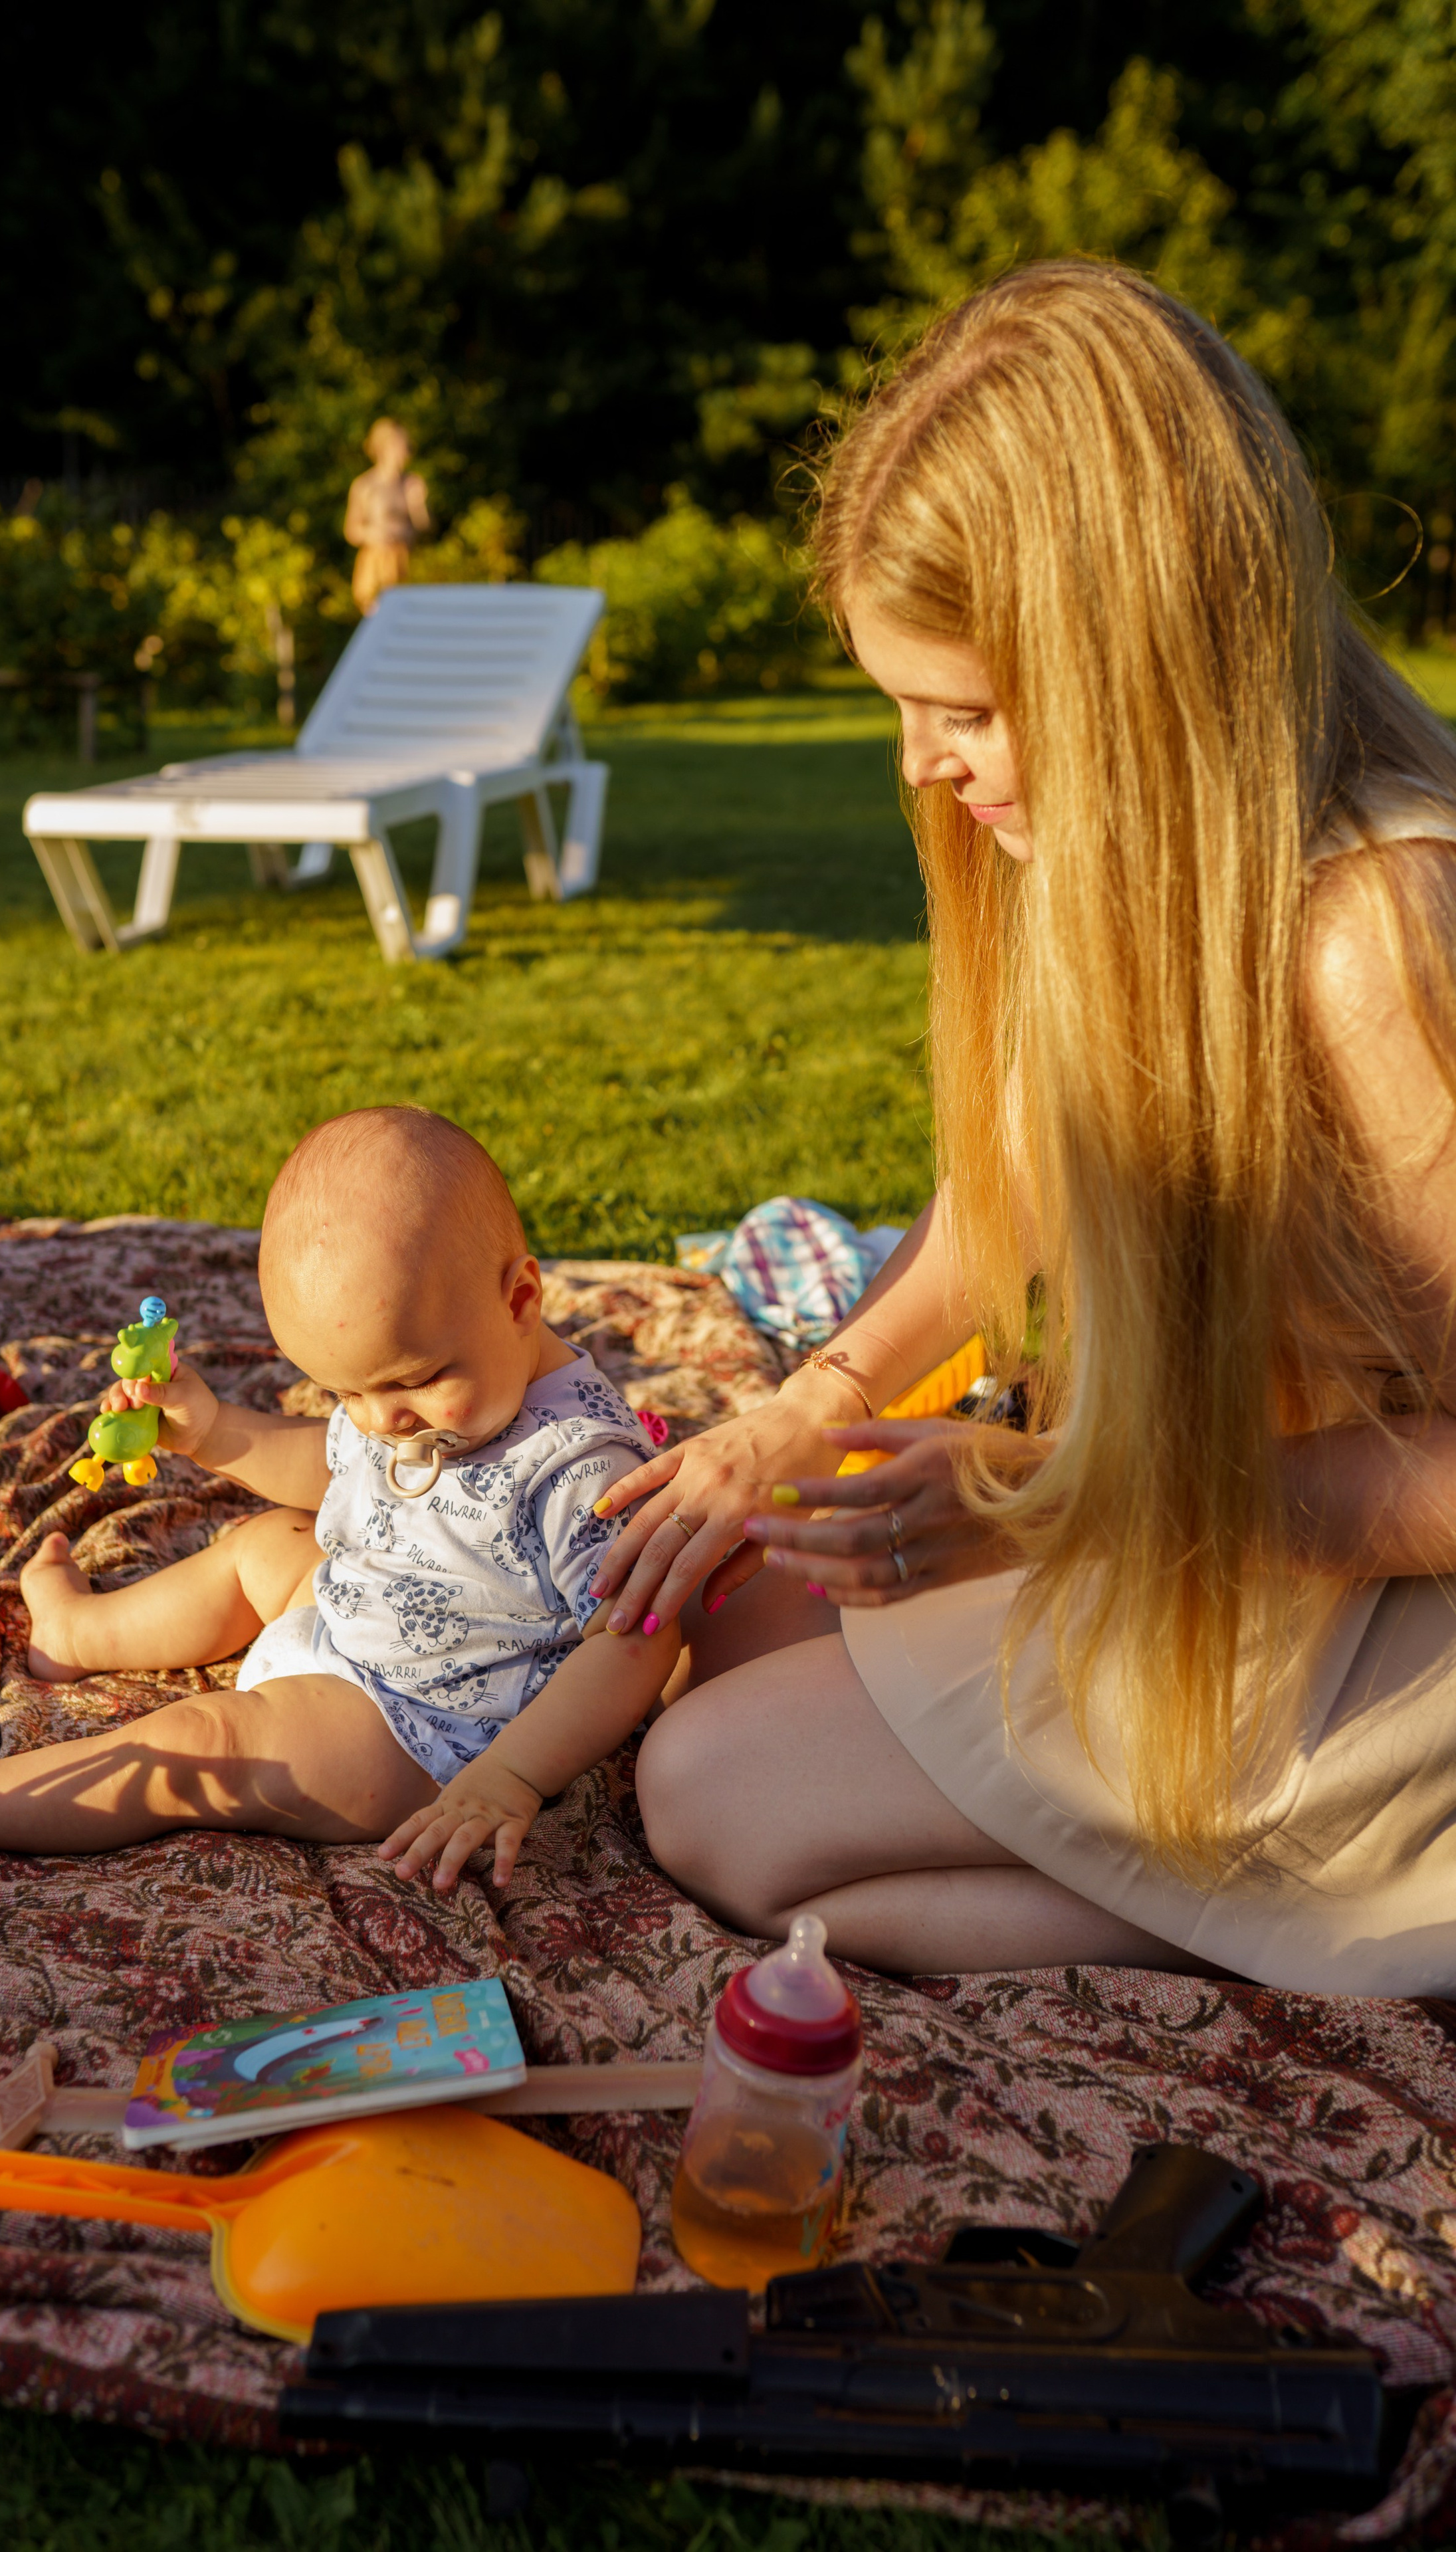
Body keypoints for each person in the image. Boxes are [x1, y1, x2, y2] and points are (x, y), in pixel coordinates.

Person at [593, 259, 1456, 1998]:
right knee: (737, 1610)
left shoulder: (1376, 939)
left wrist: (1067, 1510)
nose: (924, 769)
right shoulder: (1103, 850)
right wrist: (808, 1406)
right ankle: (1296, 1920)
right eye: (901, 705)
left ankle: (1384, 1925)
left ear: (1142, 675)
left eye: (967, 713)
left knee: (713, 1801)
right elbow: (1018, 1198)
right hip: (1234, 1530)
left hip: (1380, 1598)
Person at [0, 1109, 676, 1881]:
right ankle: (79, 1633)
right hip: (367, 1615)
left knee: (210, 1742)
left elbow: (637, 1638)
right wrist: (210, 1431)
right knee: (262, 1545)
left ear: (521, 1297)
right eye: (350, 1393)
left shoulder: (582, 1467)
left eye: (413, 1384)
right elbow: (334, 1473)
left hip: (433, 1734)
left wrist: (511, 1777)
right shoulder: (420, 1386)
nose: (383, 1421)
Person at [344, 419, 429, 613]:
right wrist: (372, 534)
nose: (406, 450)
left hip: (405, 561)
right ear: (385, 447)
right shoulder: (365, 485)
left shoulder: (412, 483)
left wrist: (418, 505)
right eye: (401, 444)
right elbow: (351, 530)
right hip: (376, 563)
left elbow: (425, 529)